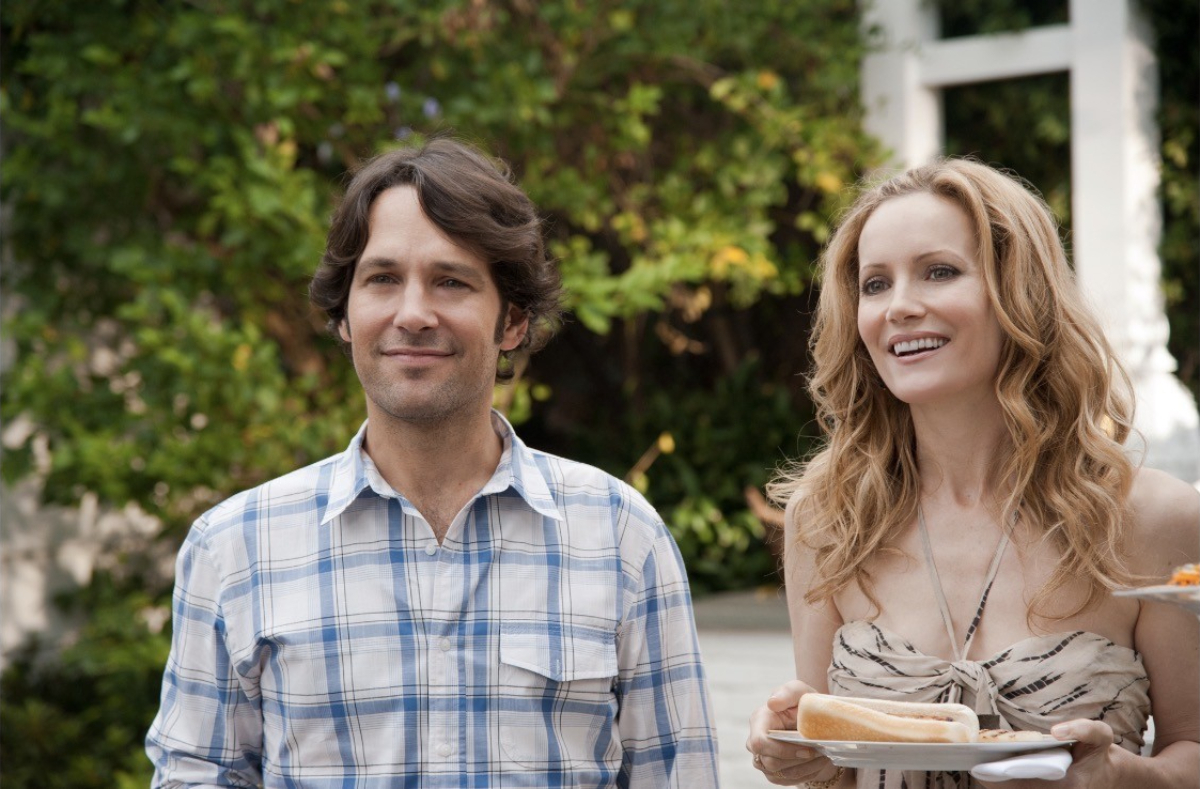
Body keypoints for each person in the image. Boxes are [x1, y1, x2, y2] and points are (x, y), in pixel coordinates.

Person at [146, 137, 720, 788]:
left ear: (512, 321)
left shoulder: (621, 536)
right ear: (345, 315)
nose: (413, 314)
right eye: (382, 279)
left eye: (451, 280)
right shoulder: (234, 549)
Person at [745, 158, 1199, 788]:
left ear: (1021, 292)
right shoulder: (827, 520)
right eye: (875, 284)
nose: (899, 306)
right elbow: (838, 767)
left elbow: (1193, 749)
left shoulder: (1155, 518)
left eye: (939, 272)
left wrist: (1123, 776)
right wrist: (799, 758)